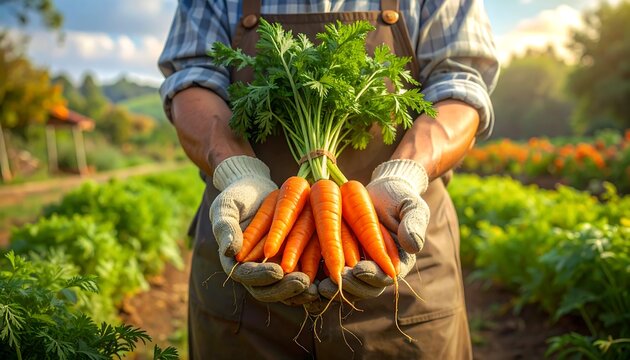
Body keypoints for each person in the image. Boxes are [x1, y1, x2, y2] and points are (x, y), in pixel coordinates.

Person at [158, 0, 499, 358]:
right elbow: (193, 80)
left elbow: (459, 83)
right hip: (248, 258)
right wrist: (237, 171)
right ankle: (275, 244)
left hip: (397, 257)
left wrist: (406, 173)